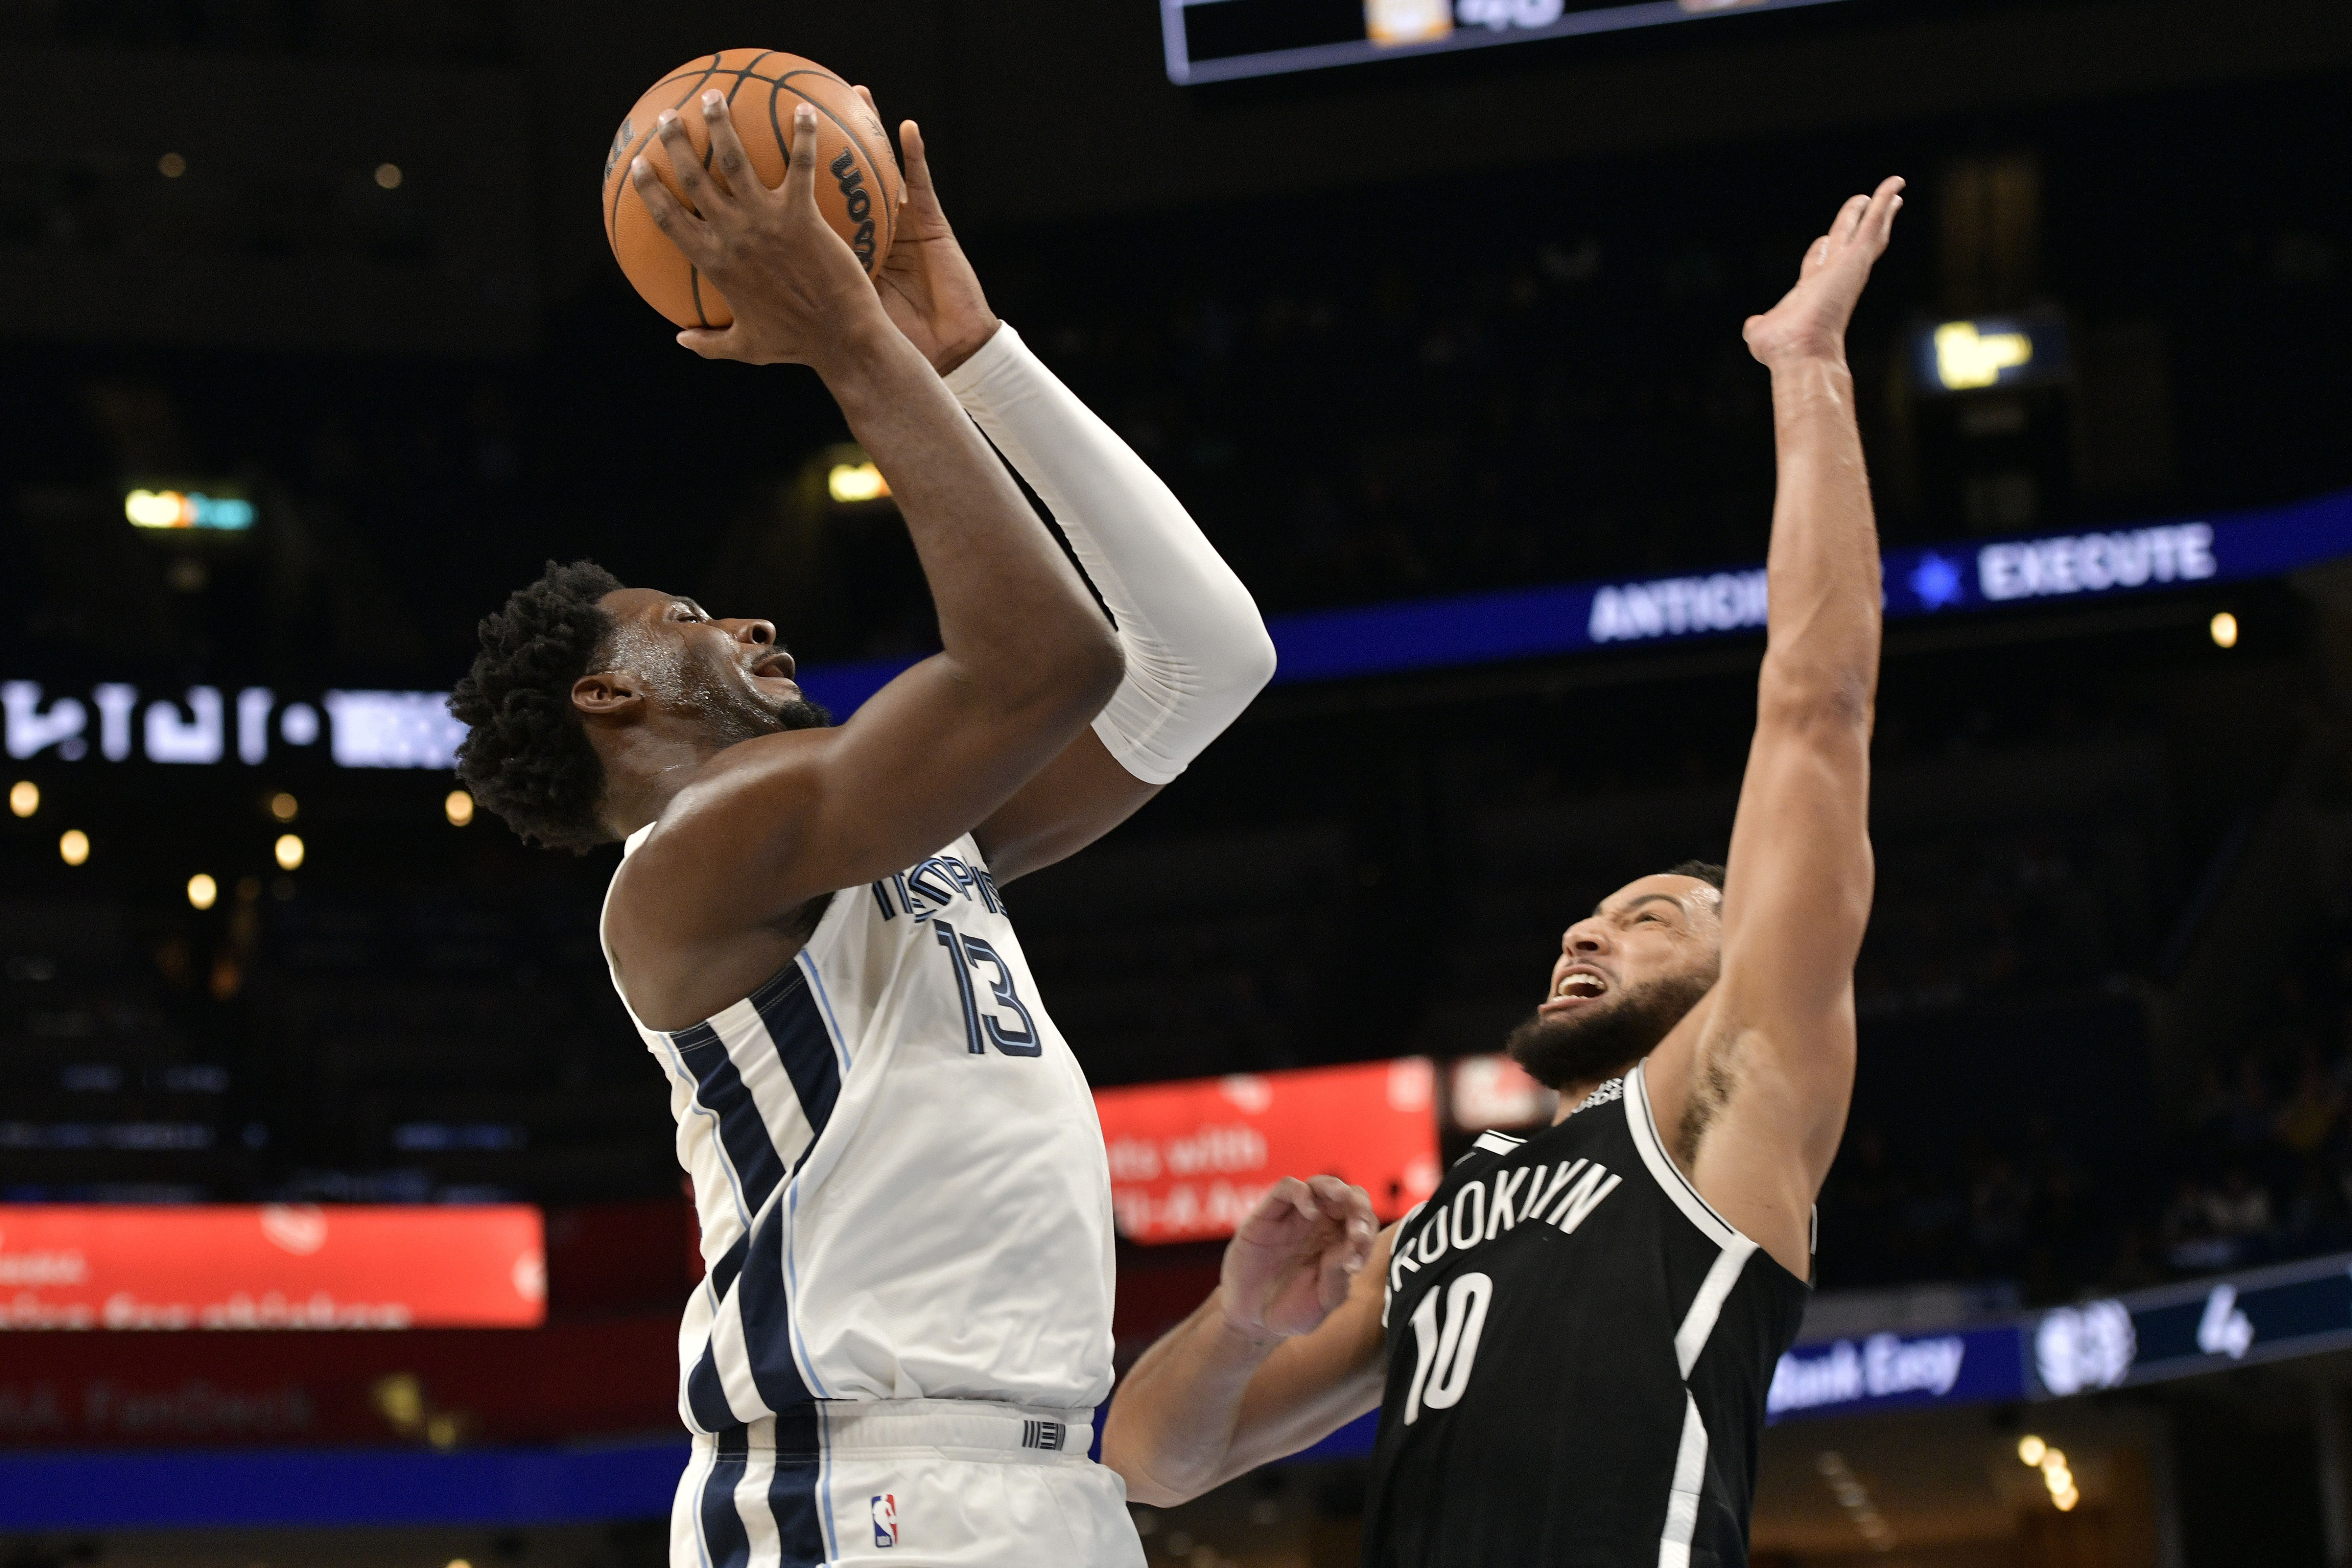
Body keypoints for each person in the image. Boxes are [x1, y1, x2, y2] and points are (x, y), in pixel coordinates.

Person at [449, 92, 1276, 1568]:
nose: (747, 617)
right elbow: (1046, 660)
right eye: (685, 619)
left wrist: (978, 362)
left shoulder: (888, 842)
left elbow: (1208, 660)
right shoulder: (692, 862)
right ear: (606, 697)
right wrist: (848, 336)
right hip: (863, 1491)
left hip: (1035, 1475)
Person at [1101, 178, 1905, 1567]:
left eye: (1649, 918)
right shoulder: (1441, 1221)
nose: (1584, 934)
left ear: (1737, 966)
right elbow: (1149, 1460)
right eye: (1582, 920)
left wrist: (1807, 369)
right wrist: (1237, 1321)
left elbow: (1814, 707)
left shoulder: (1725, 1101)